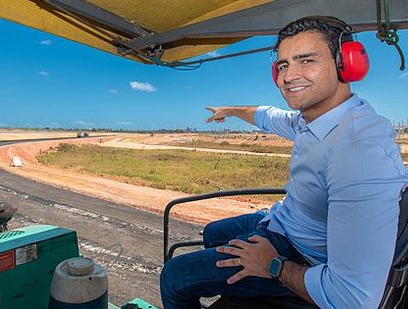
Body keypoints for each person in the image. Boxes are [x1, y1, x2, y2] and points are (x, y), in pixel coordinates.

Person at [160, 16, 408, 309]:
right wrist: (230, 110)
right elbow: (268, 116)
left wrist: (273, 265)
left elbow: (353, 298)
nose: (288, 76)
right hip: (284, 223)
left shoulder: (360, 153)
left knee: (174, 276)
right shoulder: (313, 119)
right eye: (283, 65)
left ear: (346, 63)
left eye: (306, 60)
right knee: (214, 231)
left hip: (302, 256)